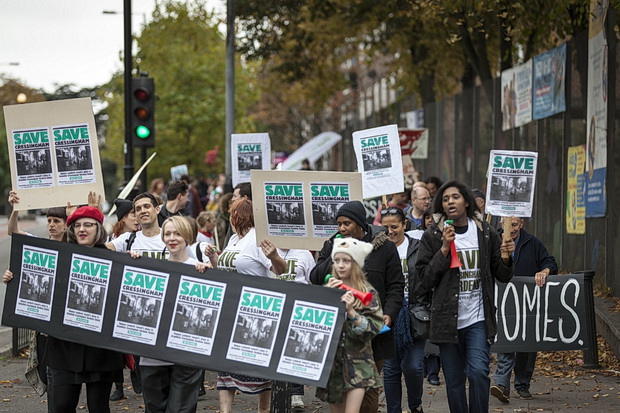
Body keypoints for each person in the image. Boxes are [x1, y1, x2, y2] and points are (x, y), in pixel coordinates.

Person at [5, 206, 124, 413]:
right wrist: (15, 279)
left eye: (88, 225)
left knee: (98, 407)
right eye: (77, 225)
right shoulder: (59, 253)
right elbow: (35, 279)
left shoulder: (114, 259)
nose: (82, 229)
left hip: (100, 350)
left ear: (98, 228)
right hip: (63, 348)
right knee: (61, 406)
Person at [415, 180, 514, 413]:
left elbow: (502, 275)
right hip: (447, 321)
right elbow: (424, 279)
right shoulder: (433, 236)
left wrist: (506, 257)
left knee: (479, 372)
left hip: (477, 318)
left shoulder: (485, 233)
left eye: (455, 197)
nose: (450, 201)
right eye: (446, 198)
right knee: (455, 382)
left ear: (467, 202)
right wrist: (444, 249)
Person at [310, 200, 404, 413]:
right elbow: (315, 277)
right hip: (339, 336)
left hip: (373, 333)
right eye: (339, 224)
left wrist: (389, 314)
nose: (342, 228)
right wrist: (337, 251)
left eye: (347, 223)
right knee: (338, 392)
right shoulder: (332, 244)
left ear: (360, 224)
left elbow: (396, 285)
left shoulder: (384, 246)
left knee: (367, 393)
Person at [213, 198, 285, 413]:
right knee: (225, 365)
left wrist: (274, 256)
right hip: (230, 310)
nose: (229, 218)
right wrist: (213, 258)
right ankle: (225, 411)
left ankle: (263, 410)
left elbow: (279, 269)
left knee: (258, 367)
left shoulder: (257, 239)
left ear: (239, 216)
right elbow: (226, 270)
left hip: (255, 311)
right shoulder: (234, 239)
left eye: (232, 213)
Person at [136, 216, 209, 413]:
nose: (172, 238)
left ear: (187, 236)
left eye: (177, 233)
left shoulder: (200, 269)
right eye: (167, 234)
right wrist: (129, 263)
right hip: (152, 356)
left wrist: (209, 275)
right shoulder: (152, 268)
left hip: (186, 356)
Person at [490, 217, 558, 403]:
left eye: (514, 224)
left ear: (521, 224)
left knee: (527, 346)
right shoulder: (492, 240)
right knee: (506, 342)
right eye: (506, 224)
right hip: (503, 303)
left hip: (528, 304)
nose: (510, 229)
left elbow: (550, 262)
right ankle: (502, 384)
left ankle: (522, 384)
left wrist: (545, 271)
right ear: (500, 223)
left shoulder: (532, 242)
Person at [316, 238, 383, 413]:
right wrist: (327, 299)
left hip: (359, 363)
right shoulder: (327, 289)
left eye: (346, 261)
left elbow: (375, 328)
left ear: (356, 264)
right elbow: (316, 327)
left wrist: (352, 313)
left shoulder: (368, 292)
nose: (340, 265)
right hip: (333, 365)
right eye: (337, 261)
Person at [380, 207, 428, 413]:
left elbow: (430, 275)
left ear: (404, 225)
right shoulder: (378, 250)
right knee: (390, 369)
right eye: (385, 228)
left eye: (394, 226)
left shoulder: (419, 247)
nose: (390, 231)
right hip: (388, 315)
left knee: (413, 366)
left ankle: (415, 405)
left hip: (415, 315)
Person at [261, 239, 316, 407]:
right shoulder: (266, 250)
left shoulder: (304, 253)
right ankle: (276, 392)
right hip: (275, 305)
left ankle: (296, 392)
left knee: (294, 349)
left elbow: (311, 279)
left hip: (298, 306)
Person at [109, 198, 139, 402]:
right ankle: (119, 386)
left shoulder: (137, 237)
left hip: (131, 296)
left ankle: (136, 376)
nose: (137, 217)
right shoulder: (118, 238)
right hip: (116, 295)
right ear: (123, 219)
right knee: (116, 345)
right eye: (132, 214)